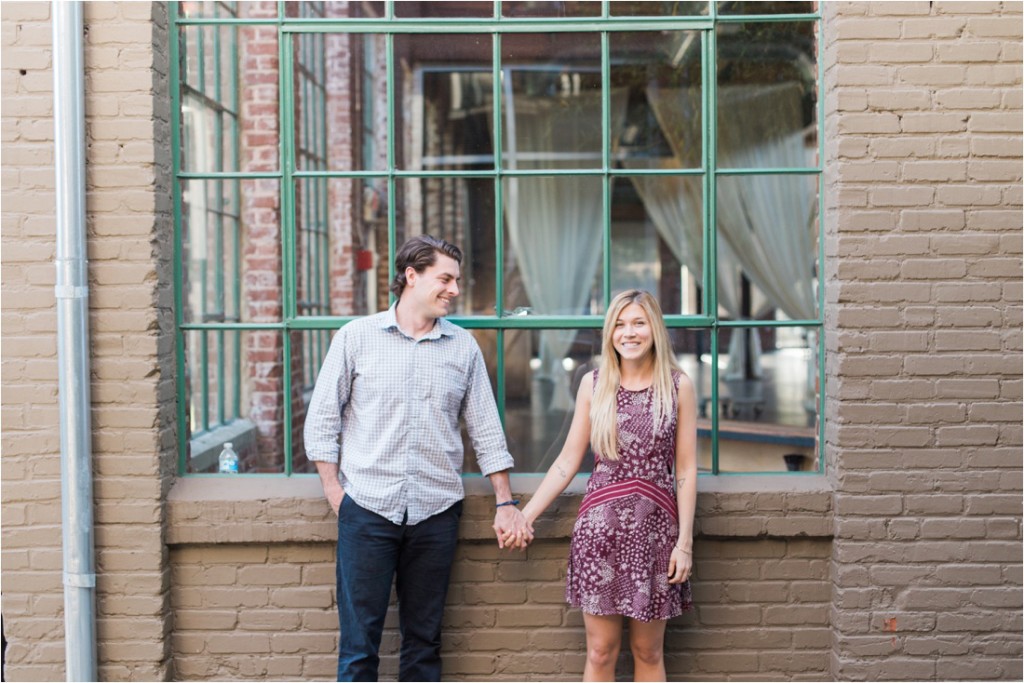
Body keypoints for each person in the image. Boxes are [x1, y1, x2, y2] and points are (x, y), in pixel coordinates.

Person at [304, 234, 533, 682]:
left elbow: (486, 430)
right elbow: (322, 421)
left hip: (436, 512)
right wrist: (338, 495)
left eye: (457, 280)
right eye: (444, 278)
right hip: (366, 509)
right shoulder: (356, 338)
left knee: (424, 645)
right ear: (411, 276)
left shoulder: (462, 346)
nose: (454, 289)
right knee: (358, 647)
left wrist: (505, 502)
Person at [521, 289, 697, 682]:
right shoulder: (594, 384)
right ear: (609, 332)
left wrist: (684, 542)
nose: (628, 333)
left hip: (656, 537)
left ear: (654, 328)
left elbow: (685, 469)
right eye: (619, 324)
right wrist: (526, 515)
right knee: (601, 653)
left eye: (638, 322)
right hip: (600, 535)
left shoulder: (677, 385)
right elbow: (567, 461)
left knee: (647, 651)